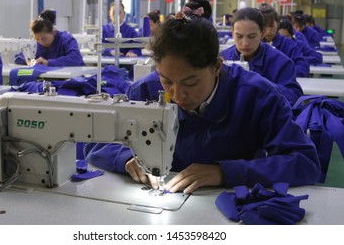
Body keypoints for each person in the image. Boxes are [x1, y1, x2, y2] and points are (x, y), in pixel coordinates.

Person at [83, 12, 320, 193]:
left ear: (216, 67)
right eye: (167, 81)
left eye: (191, 82)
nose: (177, 96)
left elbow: (304, 162)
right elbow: (94, 144)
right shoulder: (145, 89)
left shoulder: (258, 96)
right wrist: (125, 159)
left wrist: (226, 173)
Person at [221, 7, 303, 105]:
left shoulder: (281, 63)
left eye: (252, 37)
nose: (245, 43)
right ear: (232, 32)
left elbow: (294, 96)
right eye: (239, 36)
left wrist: (261, 86)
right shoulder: (222, 59)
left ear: (262, 33)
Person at [259, 5, 310, 77]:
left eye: (271, 26)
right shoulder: (254, 44)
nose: (268, 31)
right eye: (264, 26)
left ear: (277, 23)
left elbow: (303, 67)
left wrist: (282, 75)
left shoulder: (288, 44)